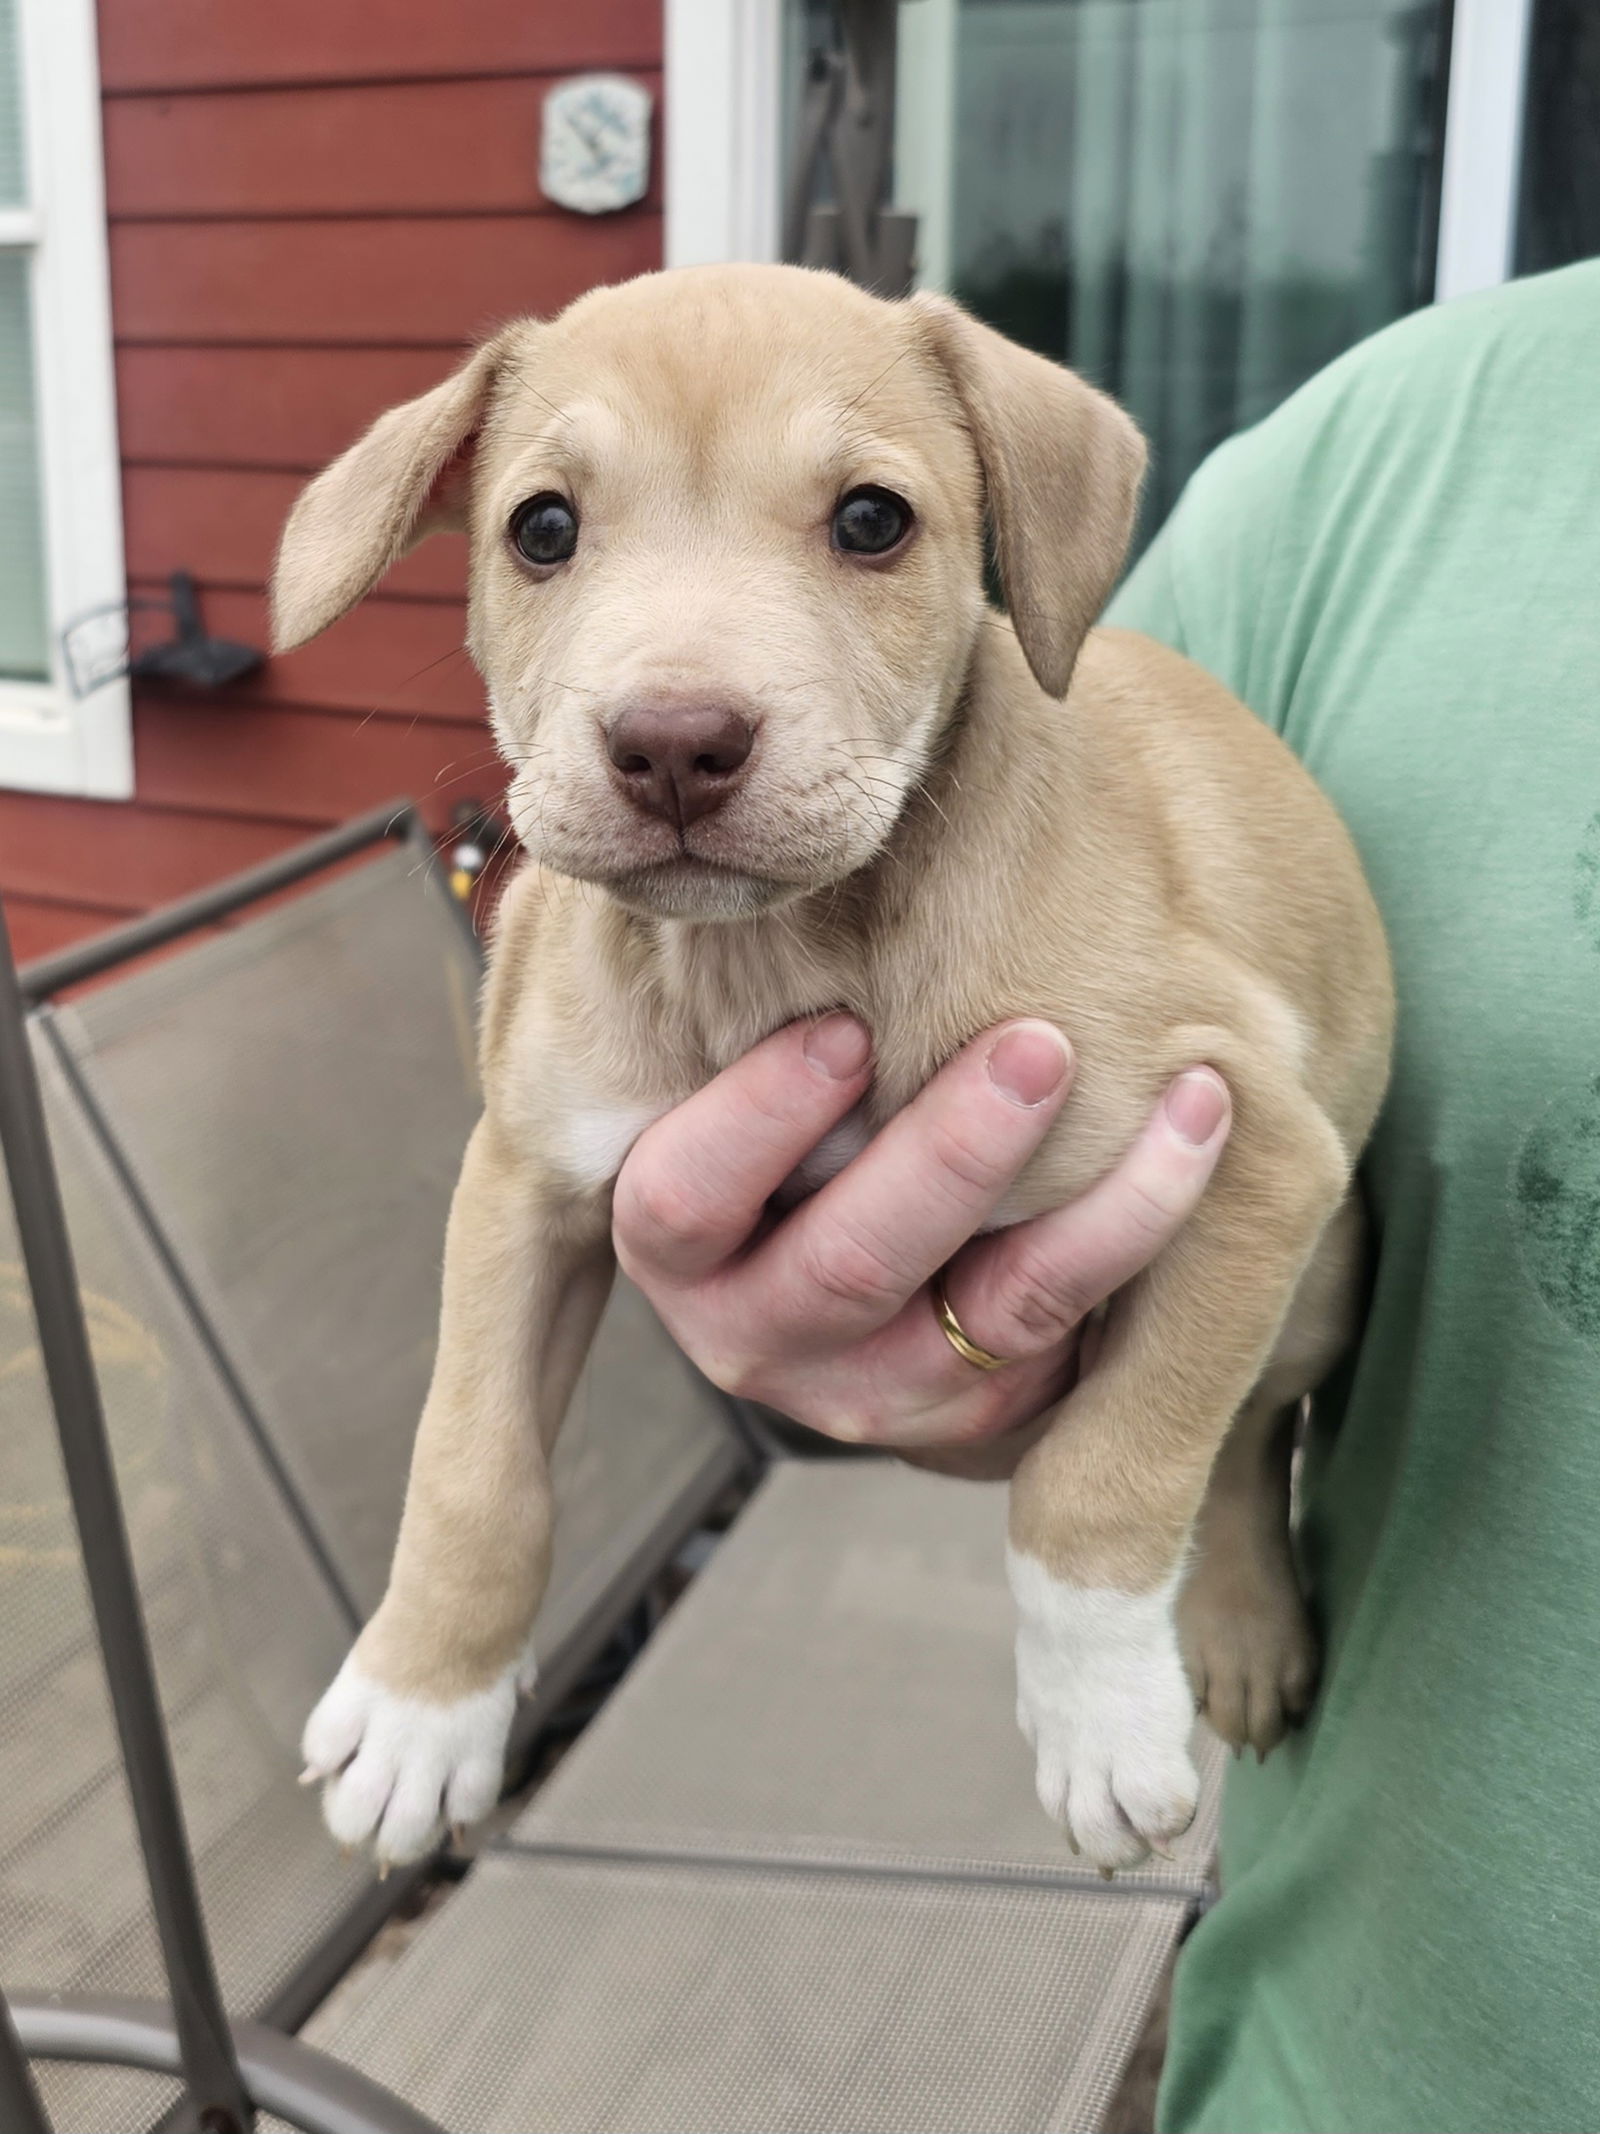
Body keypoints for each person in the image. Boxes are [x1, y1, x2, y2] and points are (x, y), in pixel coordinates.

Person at [613, 261, 1600, 2132]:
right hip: (1352, 2036)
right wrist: (906, 1337)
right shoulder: (1377, 465)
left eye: (870, 521)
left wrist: (1102, 1557)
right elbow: (1130, 1185)